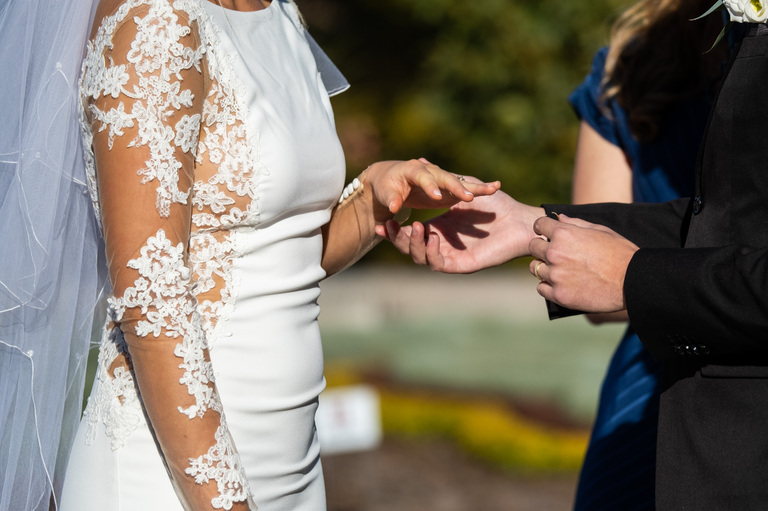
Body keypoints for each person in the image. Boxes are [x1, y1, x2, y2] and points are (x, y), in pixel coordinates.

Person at [0, 0, 501, 509]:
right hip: (172, 478)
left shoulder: (280, 11)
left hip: (294, 467)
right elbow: (150, 300)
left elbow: (280, 258)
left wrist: (373, 197)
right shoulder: (153, 22)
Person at [381, 3, 768, 509]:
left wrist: (633, 277)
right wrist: (528, 223)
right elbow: (723, 226)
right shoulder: (728, 43)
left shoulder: (628, 71)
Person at [568, 1, 725, 508]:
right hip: (657, 377)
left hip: (659, 355)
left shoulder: (626, 73)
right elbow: (585, 279)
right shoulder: (621, 74)